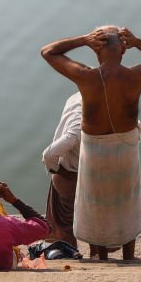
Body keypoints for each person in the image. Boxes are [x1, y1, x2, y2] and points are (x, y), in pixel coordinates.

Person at [40, 26, 141, 260]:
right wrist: (138, 41)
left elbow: (48, 52)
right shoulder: (135, 76)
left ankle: (98, 257)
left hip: (94, 148)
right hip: (126, 146)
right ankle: (129, 256)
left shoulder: (86, 76)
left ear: (95, 50)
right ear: (123, 50)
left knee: (94, 203)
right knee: (127, 199)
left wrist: (83, 39)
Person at [42, 92, 83, 247]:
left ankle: (70, 254)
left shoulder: (75, 97)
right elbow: (49, 155)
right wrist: (65, 173)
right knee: (75, 224)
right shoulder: (79, 128)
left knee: (65, 226)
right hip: (71, 177)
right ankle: (94, 256)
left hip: (66, 172)